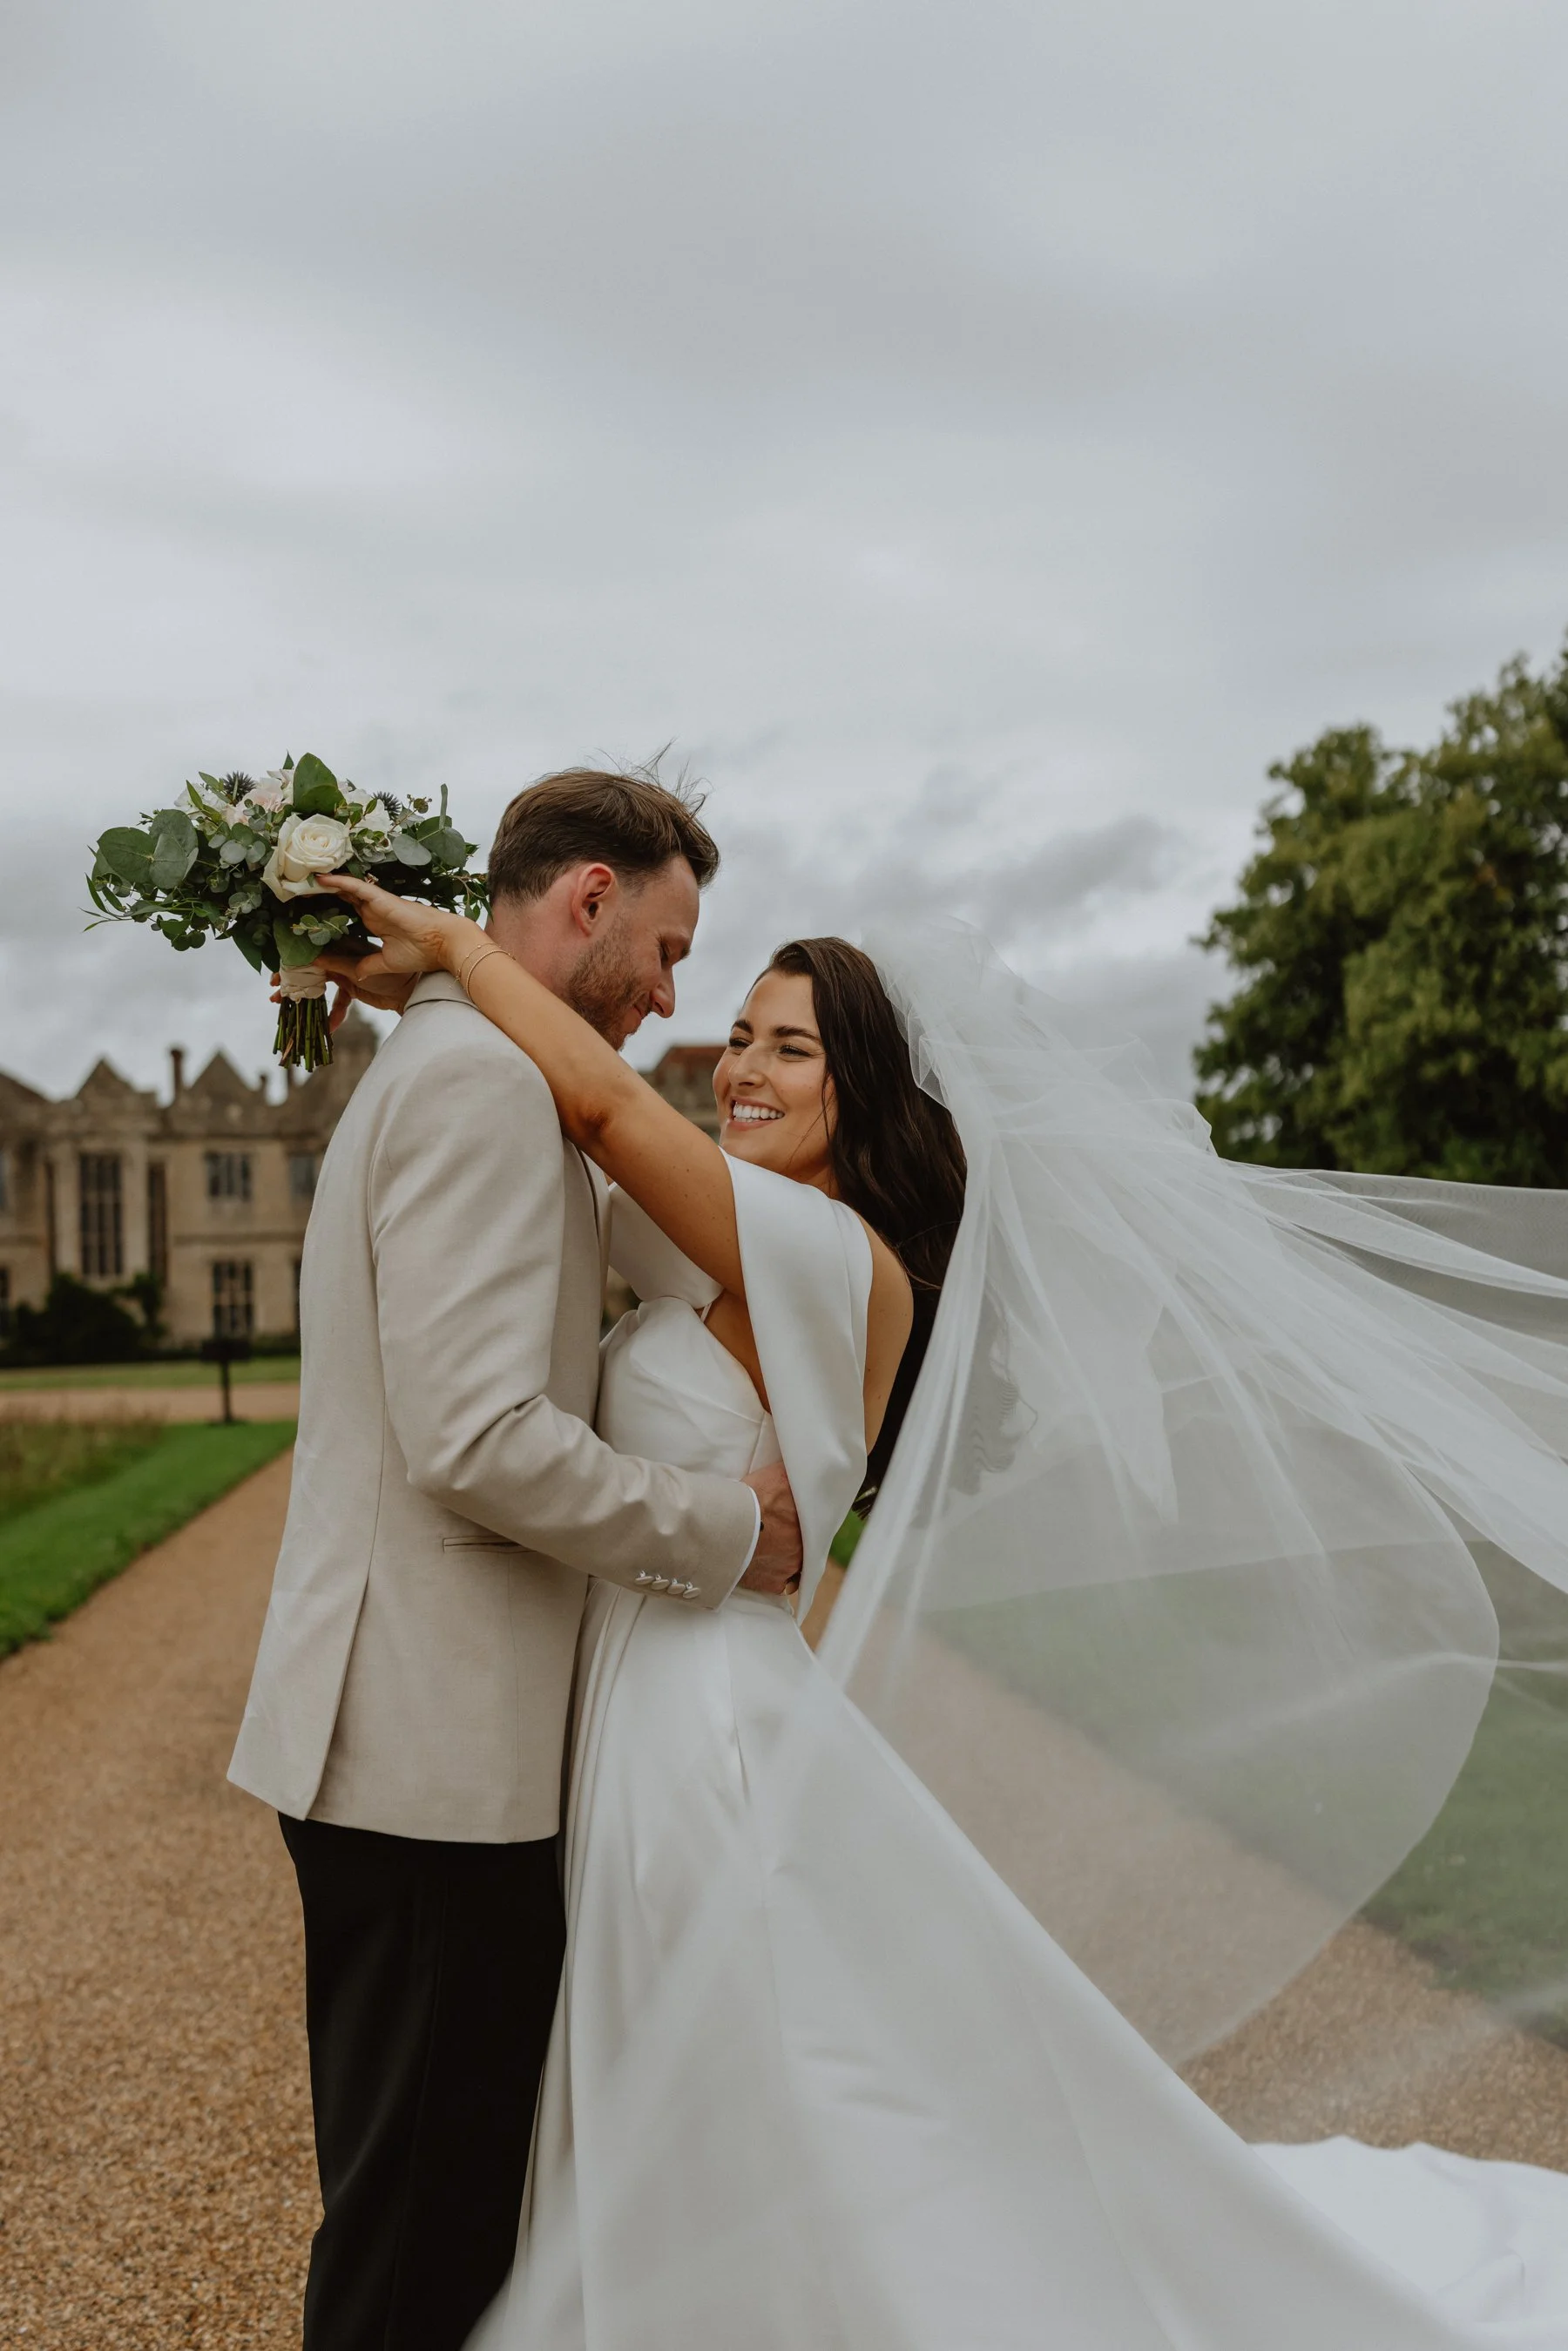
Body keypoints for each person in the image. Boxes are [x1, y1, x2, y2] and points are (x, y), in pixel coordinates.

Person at [319, 868, 1568, 2346]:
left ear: (870, 1091)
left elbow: (596, 1110)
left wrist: (463, 946)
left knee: (735, 2076)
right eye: (736, 1033)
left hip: (699, 1725)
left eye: (793, 1045)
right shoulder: (729, 1228)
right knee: (705, 2070)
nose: (738, 1065)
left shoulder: (833, 1256)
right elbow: (570, 1154)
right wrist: (439, 1006)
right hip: (641, 1700)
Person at [226, 769, 804, 2351]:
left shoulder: (477, 1063)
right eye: (671, 951)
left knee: (436, 2215)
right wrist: (732, 1528)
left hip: (421, 1752)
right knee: (421, 2247)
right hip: (433, 1767)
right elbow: (474, 1435)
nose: (677, 994)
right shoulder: (483, 1084)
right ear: (592, 898)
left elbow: (662, 1225)